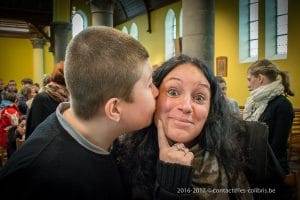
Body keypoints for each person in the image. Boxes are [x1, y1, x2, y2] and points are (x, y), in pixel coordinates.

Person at [0, 26, 158, 199]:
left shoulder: (88, 132)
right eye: (148, 84)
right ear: (114, 109)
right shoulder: (50, 180)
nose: (156, 92)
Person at [113, 55, 287, 200]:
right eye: (173, 92)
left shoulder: (249, 143)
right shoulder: (125, 156)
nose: (187, 106)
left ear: (211, 108)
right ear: (154, 97)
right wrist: (172, 183)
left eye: (199, 97)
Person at [243, 59, 294, 175]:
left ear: (260, 78)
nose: (248, 85)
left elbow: (277, 148)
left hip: (271, 170)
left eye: (249, 80)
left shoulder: (283, 105)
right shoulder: (254, 103)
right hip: (253, 165)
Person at [25, 61, 68, 139]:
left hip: (46, 144)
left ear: (52, 77)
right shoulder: (72, 98)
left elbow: (35, 129)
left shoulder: (41, 98)